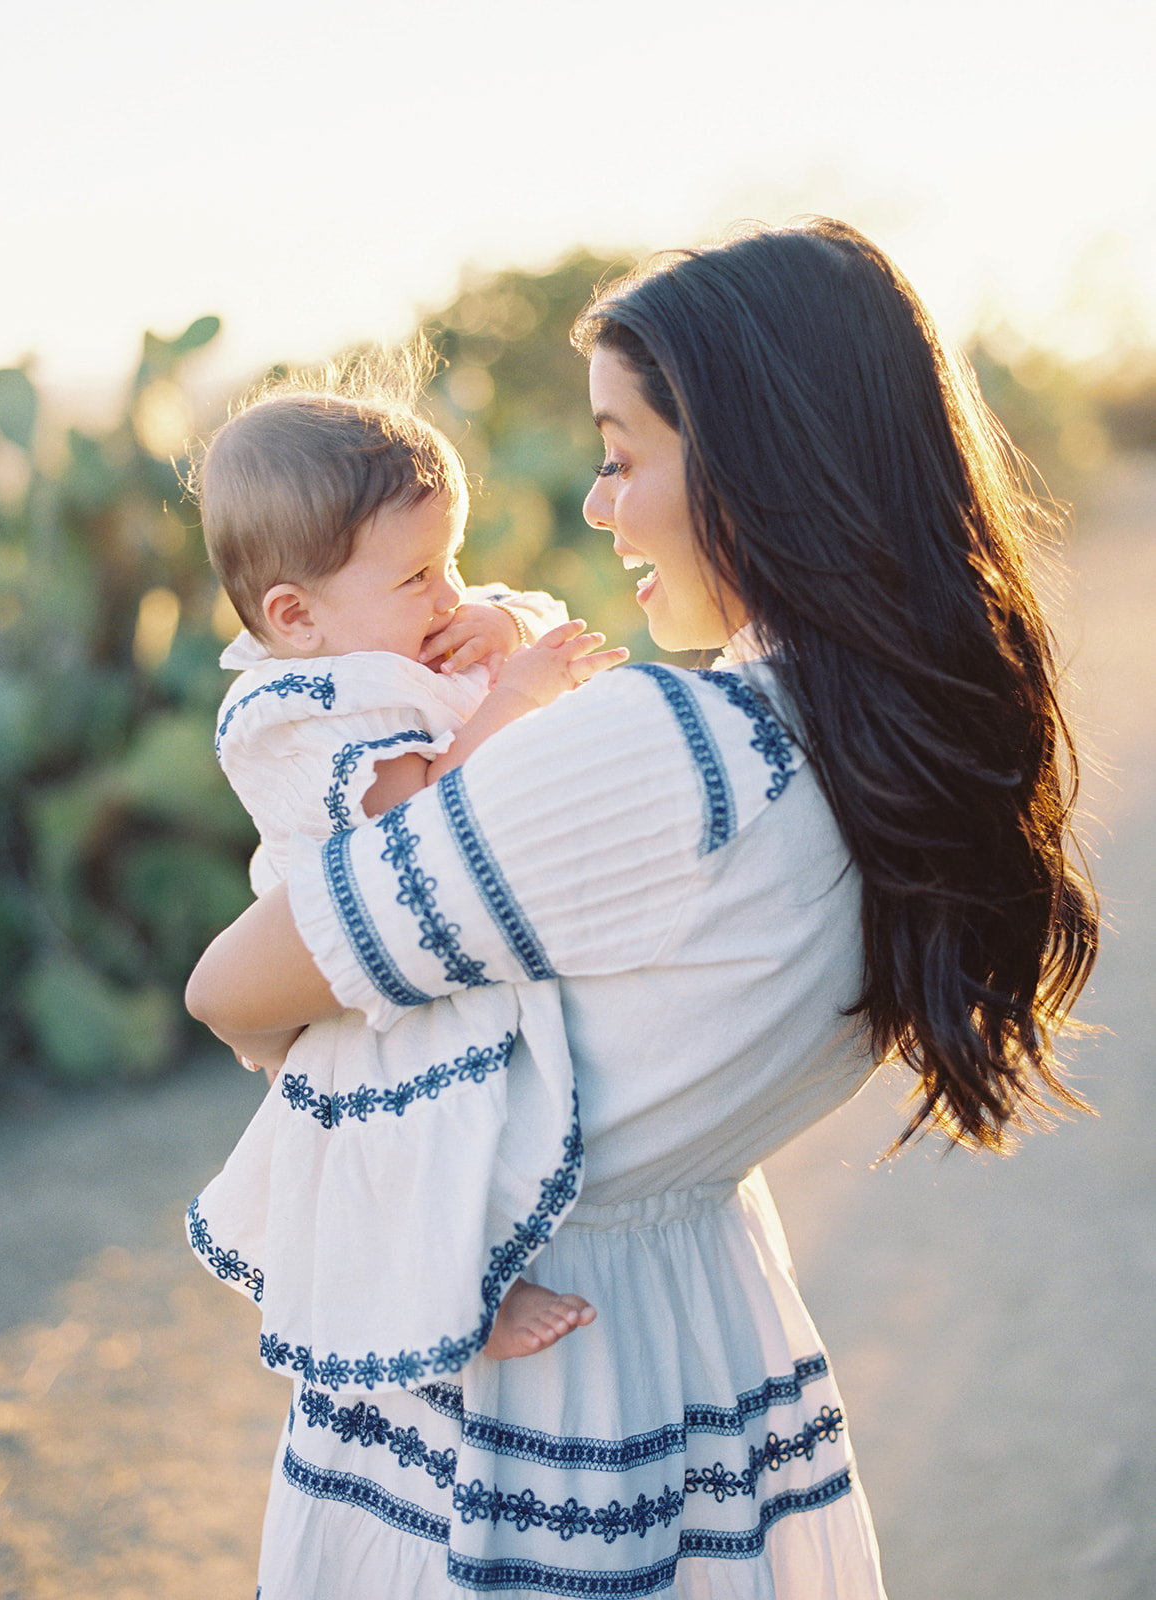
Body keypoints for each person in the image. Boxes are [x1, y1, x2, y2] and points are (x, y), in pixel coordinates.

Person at [185, 218, 1098, 1600]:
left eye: (621, 456)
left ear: (758, 470)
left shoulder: (661, 751)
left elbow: (230, 989)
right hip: (706, 1349)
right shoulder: (881, 761)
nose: (599, 506)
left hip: (518, 1415)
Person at [186, 376, 625, 1375]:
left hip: (446, 928)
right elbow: (422, 809)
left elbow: (497, 616)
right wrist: (513, 695)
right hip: (367, 960)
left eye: (452, 560)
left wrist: (502, 631)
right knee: (425, 1126)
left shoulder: (389, 633)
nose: (449, 594)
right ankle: (466, 1297)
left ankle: (502, 1257)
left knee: (494, 1106)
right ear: (294, 615)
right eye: (420, 575)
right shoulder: (302, 708)